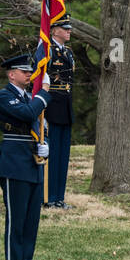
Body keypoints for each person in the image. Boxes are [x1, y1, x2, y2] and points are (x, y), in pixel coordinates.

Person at [0, 52, 54, 260]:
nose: (29, 74)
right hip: (14, 164)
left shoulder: (30, 96)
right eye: (24, 71)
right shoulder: (4, 96)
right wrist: (44, 94)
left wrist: (45, 145)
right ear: (11, 75)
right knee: (17, 221)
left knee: (31, 223)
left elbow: (42, 127)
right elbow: (27, 114)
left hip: (33, 163)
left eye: (30, 71)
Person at [38, 17, 76, 209]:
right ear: (53, 30)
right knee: (51, 154)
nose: (69, 31)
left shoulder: (68, 52)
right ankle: (47, 197)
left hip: (65, 107)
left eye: (69, 28)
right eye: (65, 28)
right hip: (51, 107)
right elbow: (38, 80)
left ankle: (59, 197)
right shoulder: (47, 51)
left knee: (62, 155)